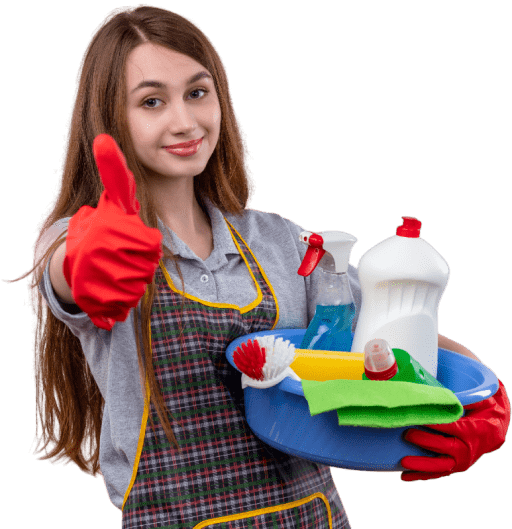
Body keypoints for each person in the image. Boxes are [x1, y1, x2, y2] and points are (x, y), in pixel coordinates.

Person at [8, 4, 509, 529]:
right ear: (111, 118)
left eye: (197, 93)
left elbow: (393, 332)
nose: (185, 122)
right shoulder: (87, 239)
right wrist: (87, 266)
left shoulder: (281, 242)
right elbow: (65, 271)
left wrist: (487, 393)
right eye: (152, 101)